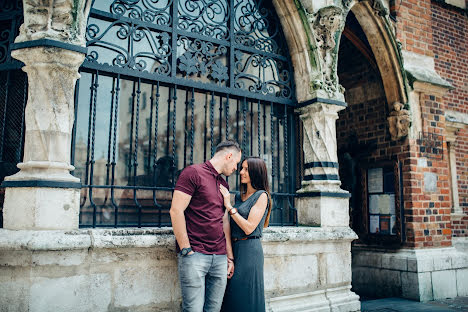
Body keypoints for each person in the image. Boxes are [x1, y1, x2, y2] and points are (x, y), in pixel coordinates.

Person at [170, 140, 242, 312]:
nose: (236, 169)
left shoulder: (223, 185)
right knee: (193, 309)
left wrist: (229, 257)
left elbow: (224, 221)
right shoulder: (193, 173)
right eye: (236, 163)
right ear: (229, 156)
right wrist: (186, 249)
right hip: (195, 255)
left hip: (219, 258)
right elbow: (176, 211)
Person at [219, 157, 272, 312]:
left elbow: (249, 228)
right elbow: (226, 224)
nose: (241, 172)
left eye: (246, 169)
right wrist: (229, 255)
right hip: (234, 248)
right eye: (242, 168)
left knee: (244, 296)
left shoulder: (262, 196)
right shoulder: (238, 197)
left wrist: (229, 207)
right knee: (230, 298)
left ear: (256, 172)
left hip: (250, 250)